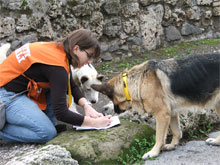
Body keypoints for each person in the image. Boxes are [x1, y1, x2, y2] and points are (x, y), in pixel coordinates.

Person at [0, 28, 112, 144]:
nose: (89, 62)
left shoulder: (57, 50)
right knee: (46, 133)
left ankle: (44, 122)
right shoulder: (57, 66)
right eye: (89, 56)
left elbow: (69, 83)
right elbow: (61, 112)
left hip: (15, 89)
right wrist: (95, 123)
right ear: (76, 49)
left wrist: (86, 106)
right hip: (6, 96)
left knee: (53, 119)